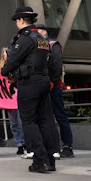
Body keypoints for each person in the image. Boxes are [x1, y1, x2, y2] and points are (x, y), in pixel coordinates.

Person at [0, 6, 59, 173]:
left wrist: (4, 71)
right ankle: (50, 161)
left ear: (20, 20)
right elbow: (53, 62)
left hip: (29, 83)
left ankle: (40, 161)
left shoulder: (25, 38)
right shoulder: (42, 39)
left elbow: (13, 60)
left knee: (29, 121)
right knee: (45, 121)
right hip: (43, 82)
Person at [35, 25, 74, 158]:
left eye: (38, 31)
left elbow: (57, 65)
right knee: (46, 117)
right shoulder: (38, 47)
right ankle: (52, 146)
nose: (36, 34)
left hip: (53, 86)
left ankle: (67, 146)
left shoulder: (53, 45)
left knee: (59, 115)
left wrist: (53, 82)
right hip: (43, 86)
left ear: (44, 32)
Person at [0, 47, 31, 159]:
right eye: (4, 54)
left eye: (7, 53)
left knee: (21, 121)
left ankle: (26, 143)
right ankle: (20, 144)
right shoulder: (1, 68)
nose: (5, 56)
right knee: (13, 123)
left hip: (17, 95)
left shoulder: (17, 64)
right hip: (8, 98)